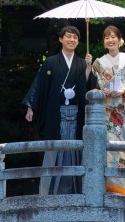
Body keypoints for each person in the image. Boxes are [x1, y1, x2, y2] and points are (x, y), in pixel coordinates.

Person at [23, 25, 97, 195]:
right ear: (61, 39)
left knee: (75, 150)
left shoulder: (81, 63)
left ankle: (76, 191)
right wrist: (31, 106)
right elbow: (39, 85)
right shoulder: (50, 62)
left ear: (78, 42)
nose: (72, 40)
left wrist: (87, 69)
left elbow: (87, 87)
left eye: (75, 37)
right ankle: (49, 192)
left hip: (76, 114)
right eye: (68, 36)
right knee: (54, 149)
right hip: (55, 114)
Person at [91, 25, 125, 196]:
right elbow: (92, 89)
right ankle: (105, 191)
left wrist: (123, 91)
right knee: (106, 151)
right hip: (106, 116)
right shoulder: (98, 64)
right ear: (103, 42)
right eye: (107, 37)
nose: (110, 40)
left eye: (114, 36)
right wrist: (101, 92)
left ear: (120, 40)